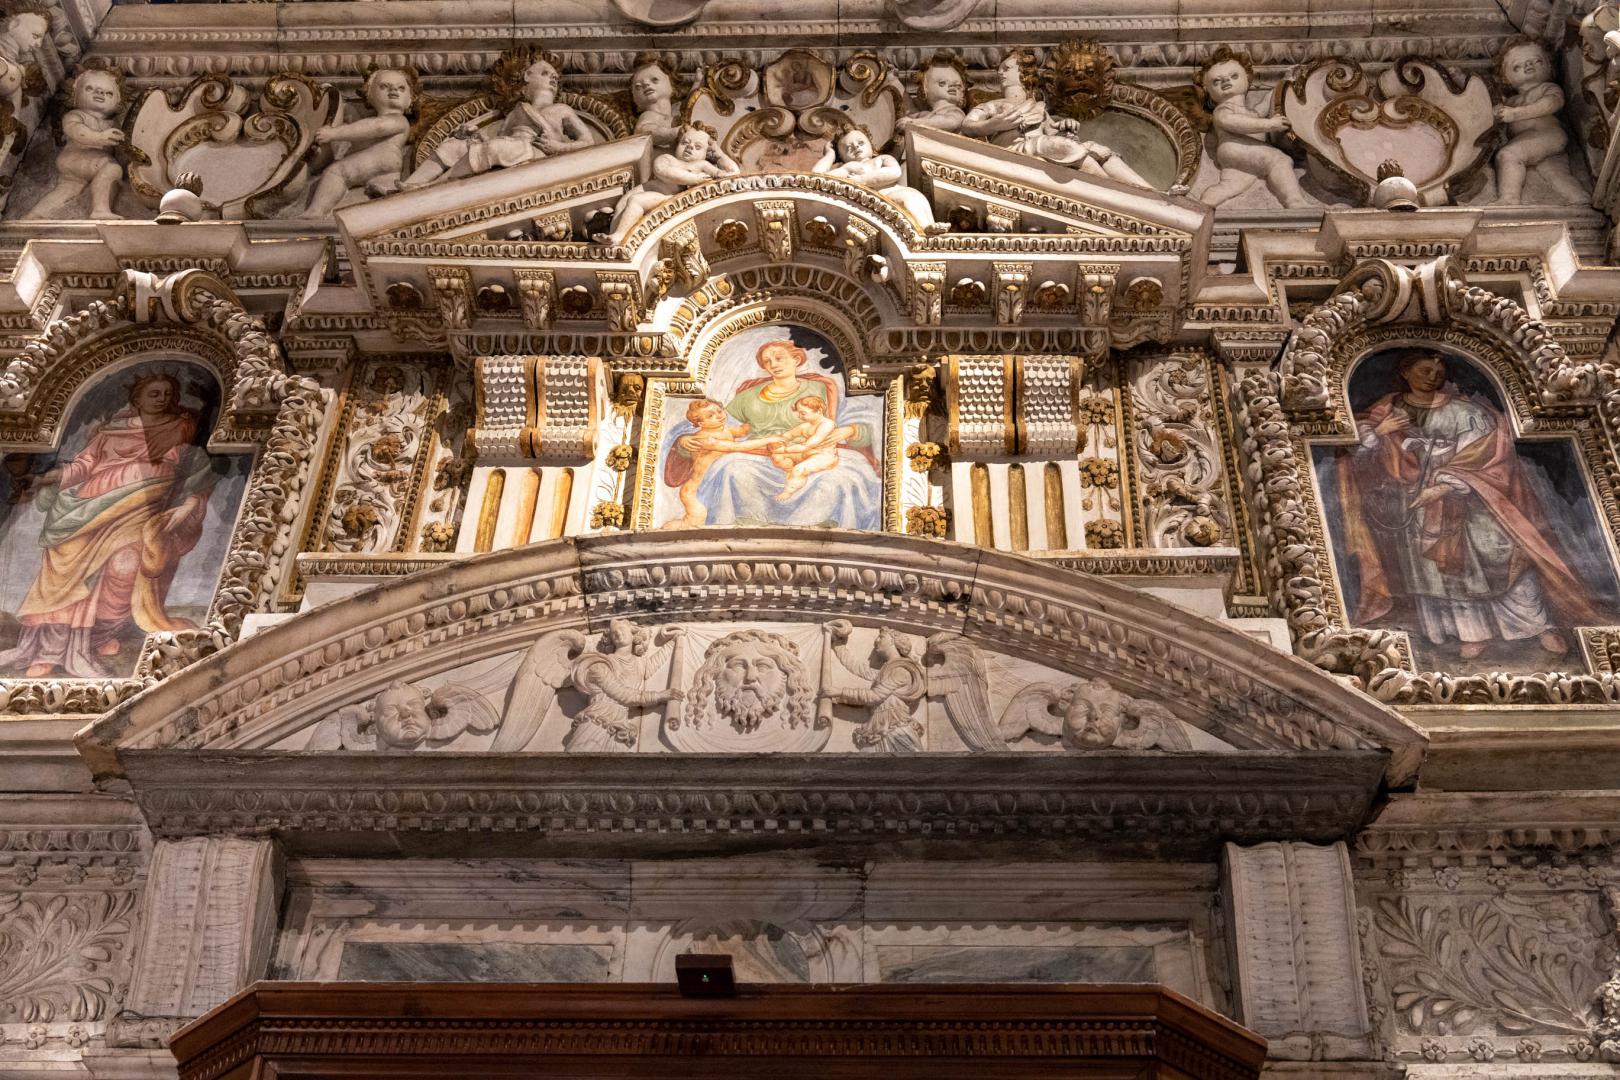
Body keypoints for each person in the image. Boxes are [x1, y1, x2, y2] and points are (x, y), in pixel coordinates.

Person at [1335, 349, 1610, 661]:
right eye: (1425, 370)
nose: (1432, 377)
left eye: (1439, 373)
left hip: (1474, 498)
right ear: (1405, 372)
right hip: (1416, 504)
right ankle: (1471, 633)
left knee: (1502, 555)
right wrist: (1380, 433)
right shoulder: (1385, 411)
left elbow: (1488, 455)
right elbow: (1357, 457)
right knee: (1441, 575)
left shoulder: (1465, 411)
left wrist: (1444, 485)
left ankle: (1538, 626)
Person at [0, 372, 218, 678]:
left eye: (168, 394)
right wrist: (43, 479)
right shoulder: (110, 432)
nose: (163, 399)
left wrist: (191, 502)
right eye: (155, 393)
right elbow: (82, 466)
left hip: (139, 508)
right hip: (87, 508)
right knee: (65, 574)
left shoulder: (181, 427)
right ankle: (49, 650)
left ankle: (96, 636)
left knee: (125, 566)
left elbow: (196, 464)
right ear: (137, 399)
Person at [661, 338, 880, 529]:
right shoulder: (748, 395)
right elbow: (716, 424)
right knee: (732, 468)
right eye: (767, 362)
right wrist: (685, 441)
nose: (773, 365)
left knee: (843, 476)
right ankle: (745, 525)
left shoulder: (822, 388)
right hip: (759, 455)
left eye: (779, 358)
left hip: (813, 452)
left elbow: (861, 421)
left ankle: (822, 526)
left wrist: (850, 430)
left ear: (796, 359)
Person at [961, 48, 1151, 188]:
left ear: (1023, 72)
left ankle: (1150, 193)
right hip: (1015, 150)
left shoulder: (1038, 107)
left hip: (1038, 145)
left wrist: (1064, 125)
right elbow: (968, 125)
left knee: (1096, 148)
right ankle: (1111, 190)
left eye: (1006, 68)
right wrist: (992, 124)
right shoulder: (993, 105)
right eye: (1001, 69)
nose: (1000, 72)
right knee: (1065, 146)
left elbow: (1050, 129)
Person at [401, 54, 593, 189]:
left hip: (536, 154)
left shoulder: (562, 110)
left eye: (555, 77)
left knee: (497, 147)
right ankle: (409, 186)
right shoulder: (516, 112)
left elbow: (588, 142)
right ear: (527, 76)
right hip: (514, 149)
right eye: (545, 73)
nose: (552, 79)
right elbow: (499, 138)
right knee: (456, 145)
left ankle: (433, 186)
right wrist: (473, 136)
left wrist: (559, 147)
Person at [1198, 47, 1308, 209]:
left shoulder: (1252, 113)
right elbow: (1233, 122)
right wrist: (1270, 124)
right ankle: (1294, 201)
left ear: (1247, 78)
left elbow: (1267, 102)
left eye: (1234, 76)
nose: (1226, 81)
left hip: (1238, 154)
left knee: (1229, 186)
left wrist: (1285, 82)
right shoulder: (1223, 110)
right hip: (1234, 148)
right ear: (1207, 91)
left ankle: (1203, 205)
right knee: (1279, 159)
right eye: (1216, 81)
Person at [595, 121, 738, 244]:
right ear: (676, 145)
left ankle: (618, 236)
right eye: (685, 142)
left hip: (668, 199)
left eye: (698, 146)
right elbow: (663, 171)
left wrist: (719, 155)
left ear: (707, 154)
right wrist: (695, 179)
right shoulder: (668, 159)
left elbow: (733, 174)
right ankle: (615, 234)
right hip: (658, 196)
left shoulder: (703, 165)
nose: (690, 147)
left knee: (636, 200)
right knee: (626, 204)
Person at [304, 67, 415, 215]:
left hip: (383, 156)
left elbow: (376, 127)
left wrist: (333, 133)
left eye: (401, 88)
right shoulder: (373, 119)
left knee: (336, 172)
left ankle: (315, 212)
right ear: (370, 95)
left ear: (410, 100)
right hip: (385, 162)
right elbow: (361, 127)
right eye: (384, 86)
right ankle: (383, 185)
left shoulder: (398, 119)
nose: (394, 90)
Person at [1492, 39, 1585, 204]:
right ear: (1505, 78)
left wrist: (1516, 114)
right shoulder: (1510, 101)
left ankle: (1509, 199)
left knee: (1508, 155)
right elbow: (1487, 108)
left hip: (1547, 135)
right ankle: (1581, 201)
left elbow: (1551, 104)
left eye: (1536, 61)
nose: (1528, 65)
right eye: (1517, 66)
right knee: (1556, 175)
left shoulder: (1548, 88)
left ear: (1550, 67)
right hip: (1539, 143)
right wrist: (1461, 79)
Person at [25, 66, 123, 219]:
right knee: (111, 168)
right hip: (76, 156)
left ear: (118, 102)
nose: (99, 93)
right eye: (90, 88)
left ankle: (34, 215)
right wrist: (99, 137)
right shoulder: (76, 115)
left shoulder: (113, 124)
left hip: (81, 166)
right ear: (75, 96)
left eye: (108, 93)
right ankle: (100, 210)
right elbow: (77, 131)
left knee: (67, 189)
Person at [813, 125, 947, 234]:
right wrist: (829, 155)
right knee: (906, 199)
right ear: (842, 158)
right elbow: (816, 179)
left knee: (914, 198)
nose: (856, 147)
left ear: (871, 145)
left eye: (860, 142)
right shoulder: (850, 167)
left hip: (899, 194)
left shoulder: (882, 159)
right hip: (881, 203)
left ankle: (927, 227)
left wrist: (861, 180)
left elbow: (894, 172)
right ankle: (925, 230)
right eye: (849, 148)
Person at [666, 398, 773, 527]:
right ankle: (666, 530)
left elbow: (744, 430)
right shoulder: (703, 439)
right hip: (693, 492)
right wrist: (770, 440)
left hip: (710, 485)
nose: (719, 416)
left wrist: (762, 415)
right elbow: (738, 447)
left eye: (719, 411)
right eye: (710, 416)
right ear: (700, 423)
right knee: (694, 523)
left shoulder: (727, 431)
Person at [767, 395, 853, 499]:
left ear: (819, 411)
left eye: (803, 413)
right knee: (777, 456)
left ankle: (788, 492)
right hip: (807, 454)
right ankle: (790, 471)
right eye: (799, 413)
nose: (800, 416)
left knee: (799, 469)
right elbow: (788, 435)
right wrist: (777, 442)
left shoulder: (827, 424)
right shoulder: (806, 425)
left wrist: (785, 449)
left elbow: (807, 446)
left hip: (824, 457)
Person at [896, 53, 968, 135]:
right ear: (925, 89)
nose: (952, 86)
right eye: (942, 83)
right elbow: (909, 109)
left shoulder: (954, 111)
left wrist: (914, 123)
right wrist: (893, 80)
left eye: (958, 86)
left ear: (962, 94)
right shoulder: (926, 115)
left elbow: (951, 122)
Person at [0, 12, 47, 116]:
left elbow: (11, 120)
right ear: (14, 25)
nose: (38, 44)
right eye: (35, 36)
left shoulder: (16, 76)